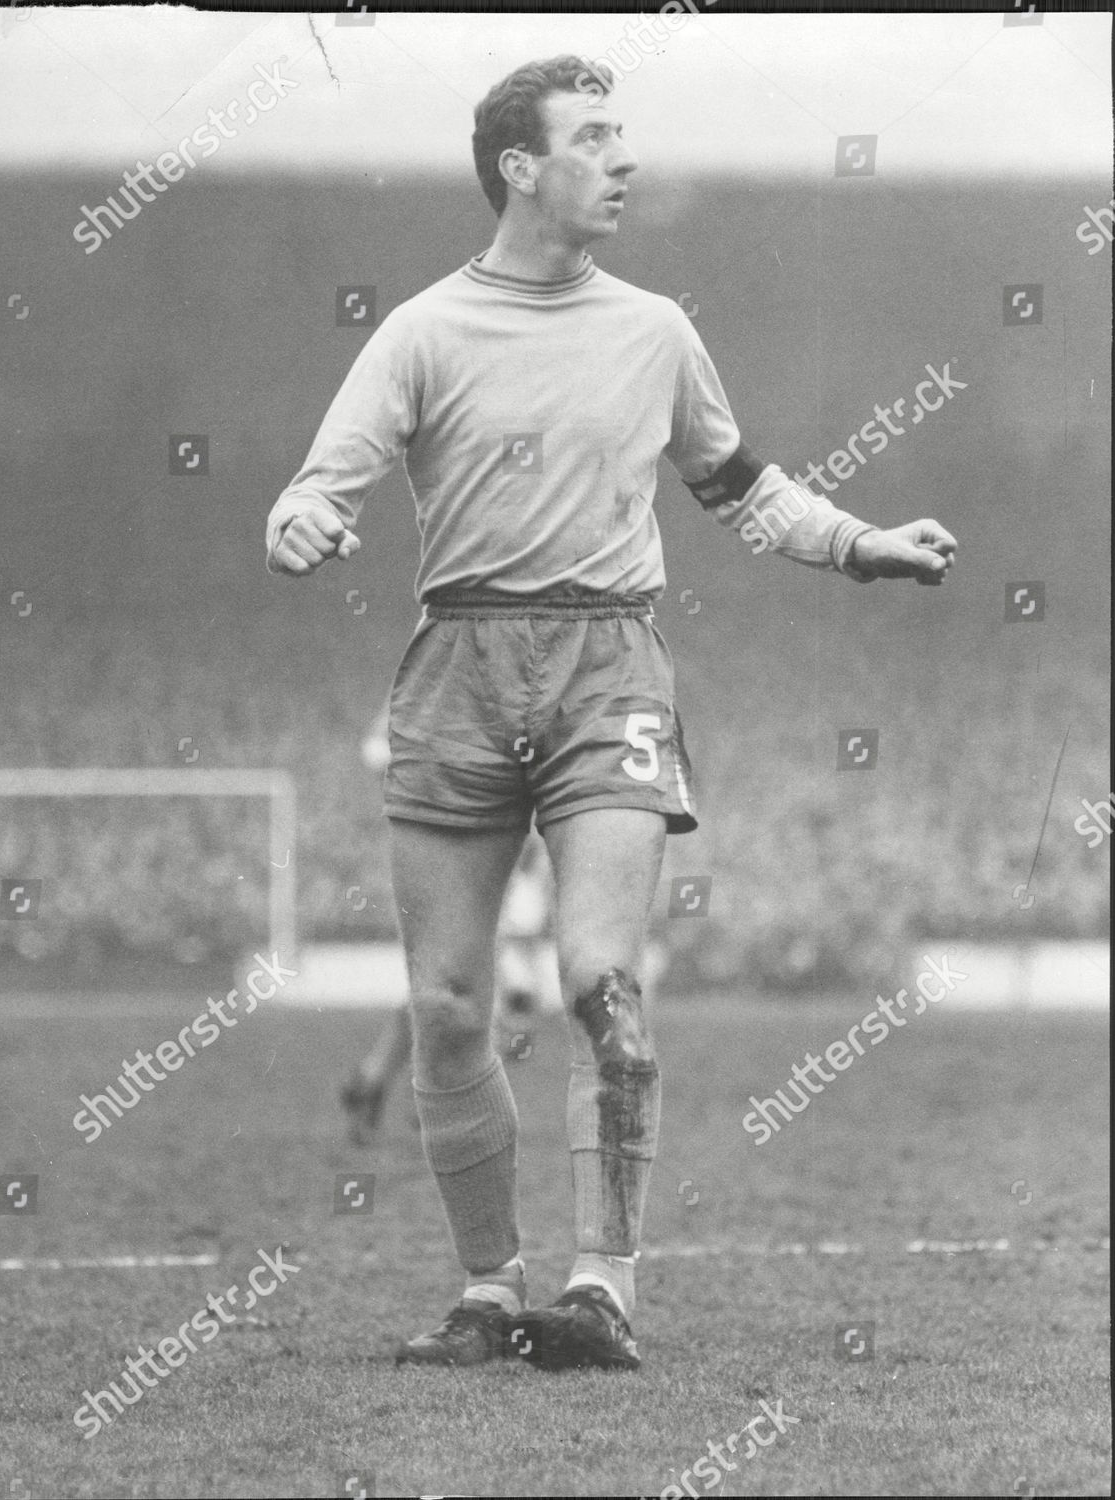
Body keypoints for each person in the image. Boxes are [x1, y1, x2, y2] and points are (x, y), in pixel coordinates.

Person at [265, 55, 957, 1371]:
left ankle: (598, 1291)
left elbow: (741, 485)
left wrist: (861, 543)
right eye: (593, 137)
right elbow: (323, 477)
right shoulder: (420, 331)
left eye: (623, 135)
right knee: (451, 1002)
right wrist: (299, 515)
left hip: (607, 668)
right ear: (520, 166)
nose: (624, 159)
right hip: (456, 664)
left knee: (599, 984)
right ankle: (484, 1294)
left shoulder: (654, 330)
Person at [341, 706, 551, 1146]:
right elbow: (377, 747)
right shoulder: (431, 679)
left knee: (445, 980)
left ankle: (380, 1082)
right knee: (455, 980)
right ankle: (441, 1098)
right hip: (441, 843)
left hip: (484, 847)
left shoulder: (509, 688)